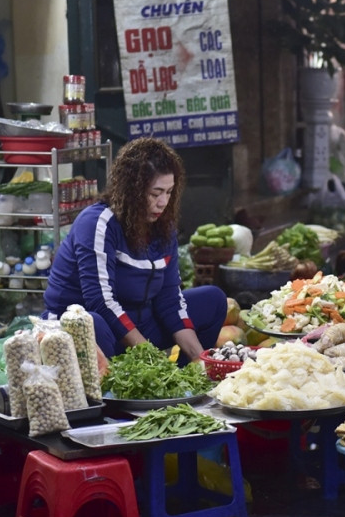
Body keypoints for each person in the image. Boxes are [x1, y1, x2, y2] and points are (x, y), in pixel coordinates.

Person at [43, 137, 226, 367]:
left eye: (169, 192)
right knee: (90, 323)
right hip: (91, 327)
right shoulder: (98, 223)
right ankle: (129, 384)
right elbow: (100, 301)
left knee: (214, 300)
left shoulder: (163, 226)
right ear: (132, 191)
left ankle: (186, 379)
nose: (163, 202)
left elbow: (169, 298)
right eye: (155, 193)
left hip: (137, 322)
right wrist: (150, 358)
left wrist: (201, 359)